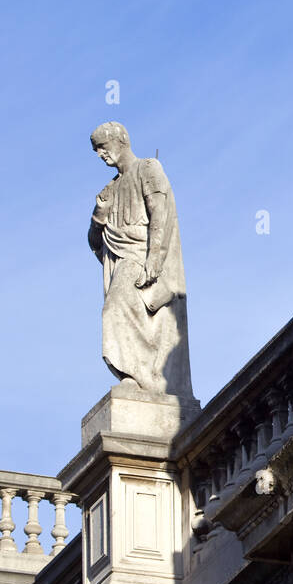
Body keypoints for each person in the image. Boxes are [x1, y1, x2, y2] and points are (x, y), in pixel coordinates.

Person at [88, 122, 193, 399]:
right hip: (123, 260)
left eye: (102, 146)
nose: (100, 154)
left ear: (120, 140)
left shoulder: (148, 169)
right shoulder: (109, 190)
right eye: (96, 150)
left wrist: (155, 259)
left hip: (141, 259)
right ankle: (136, 375)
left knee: (113, 309)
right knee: (116, 311)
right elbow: (95, 243)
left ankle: (139, 375)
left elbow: (160, 214)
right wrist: (98, 217)